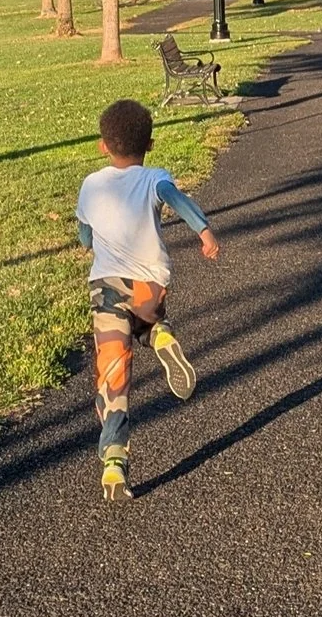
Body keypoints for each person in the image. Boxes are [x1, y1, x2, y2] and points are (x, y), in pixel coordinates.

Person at [76, 99, 219, 501]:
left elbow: (85, 235)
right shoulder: (155, 177)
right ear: (150, 144)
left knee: (113, 374)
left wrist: (91, 241)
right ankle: (160, 336)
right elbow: (177, 200)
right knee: (149, 318)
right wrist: (204, 232)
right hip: (149, 285)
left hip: (105, 286)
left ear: (103, 146)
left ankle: (114, 463)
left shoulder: (91, 184)